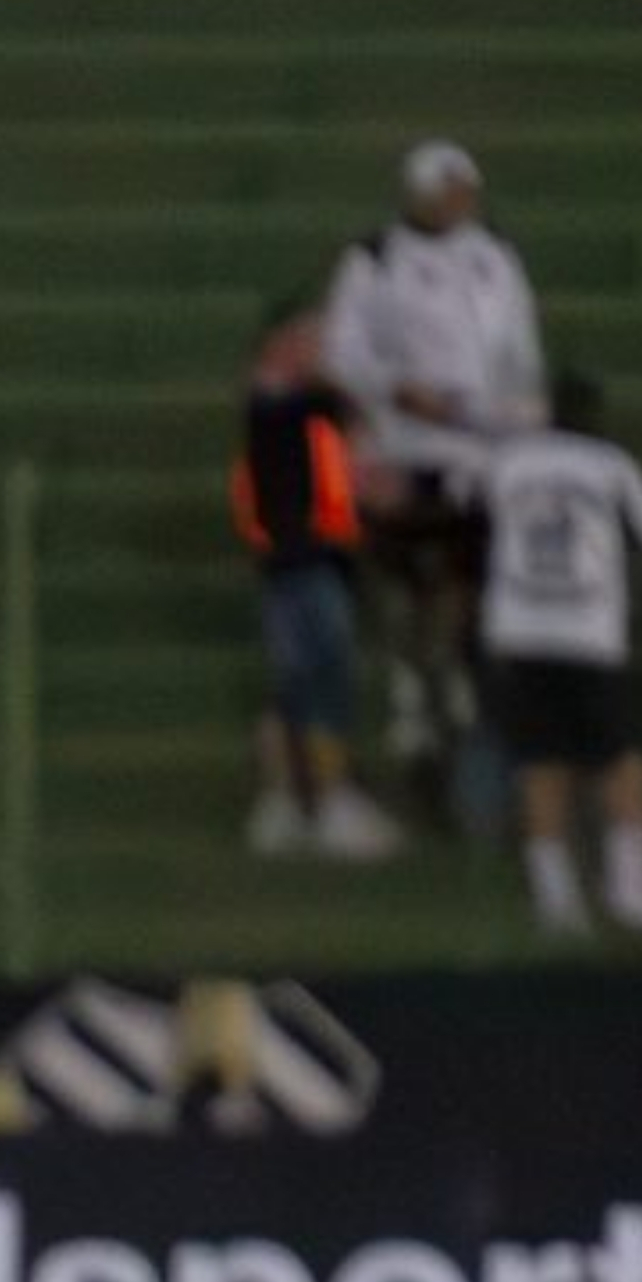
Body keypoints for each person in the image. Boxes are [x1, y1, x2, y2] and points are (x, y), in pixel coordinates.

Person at [319, 141, 543, 769]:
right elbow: (339, 349)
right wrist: (395, 388)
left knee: (468, 569)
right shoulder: (374, 257)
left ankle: (460, 673)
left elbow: (521, 352)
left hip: (482, 444)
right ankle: (408, 686)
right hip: (403, 441)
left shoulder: (495, 255)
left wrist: (519, 417)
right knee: (403, 571)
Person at [474, 372, 642, 939]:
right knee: (621, 762)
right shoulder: (608, 464)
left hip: (519, 631)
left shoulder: (507, 463)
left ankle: (557, 900)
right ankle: (631, 891)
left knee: (541, 762)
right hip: (586, 635)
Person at [231, 297, 401, 862]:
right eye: (312, 339)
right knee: (317, 684)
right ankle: (322, 801)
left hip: (306, 560)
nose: (323, 350)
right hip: (304, 561)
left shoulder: (294, 406)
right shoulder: (288, 402)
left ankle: (295, 801)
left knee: (302, 685)